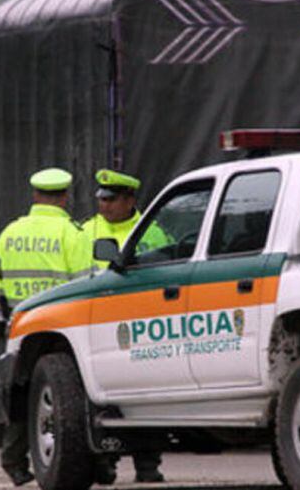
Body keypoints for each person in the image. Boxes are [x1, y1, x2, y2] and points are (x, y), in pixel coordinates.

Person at [0, 167, 91, 486]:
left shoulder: (10, 233)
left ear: (35, 195)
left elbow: (0, 284)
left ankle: (13, 462)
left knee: (22, 393)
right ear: (64, 197)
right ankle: (95, 466)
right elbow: (84, 284)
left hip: (21, 325)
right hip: (60, 330)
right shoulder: (73, 234)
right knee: (65, 398)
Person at [81, 169, 166, 484]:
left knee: (145, 400)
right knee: (97, 403)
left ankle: (148, 464)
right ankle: (104, 463)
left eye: (111, 199)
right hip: (96, 327)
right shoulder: (86, 231)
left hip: (140, 328)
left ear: (130, 200)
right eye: (101, 199)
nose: (104, 205)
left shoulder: (153, 233)